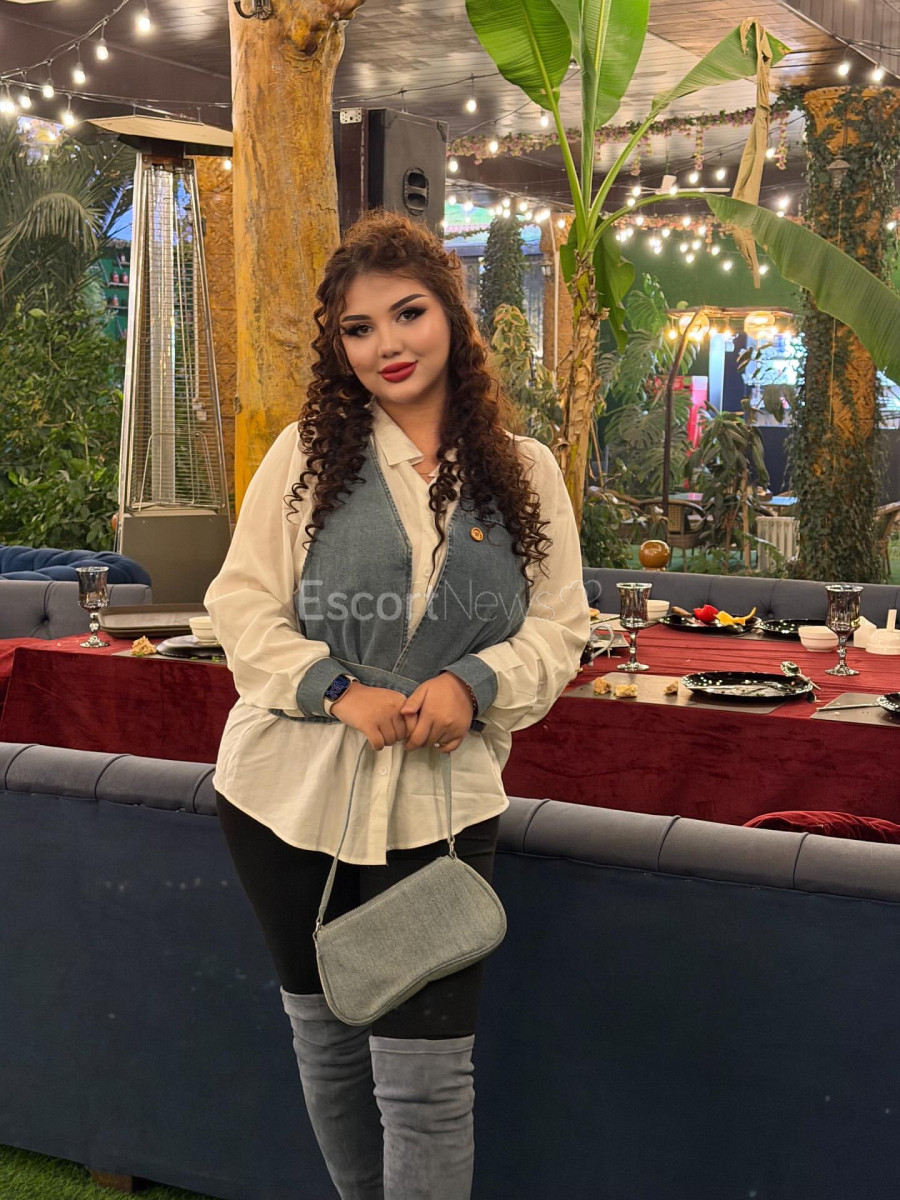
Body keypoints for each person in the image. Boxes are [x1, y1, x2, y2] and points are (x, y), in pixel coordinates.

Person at [204, 209, 589, 1200]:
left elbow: (560, 627)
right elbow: (239, 604)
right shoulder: (306, 459)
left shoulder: (526, 472)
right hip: (287, 799)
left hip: (440, 808)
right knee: (329, 1047)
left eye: (408, 313)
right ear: (339, 347)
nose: (388, 344)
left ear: (452, 315)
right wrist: (336, 690)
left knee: (428, 1084)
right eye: (359, 328)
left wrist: (474, 683)